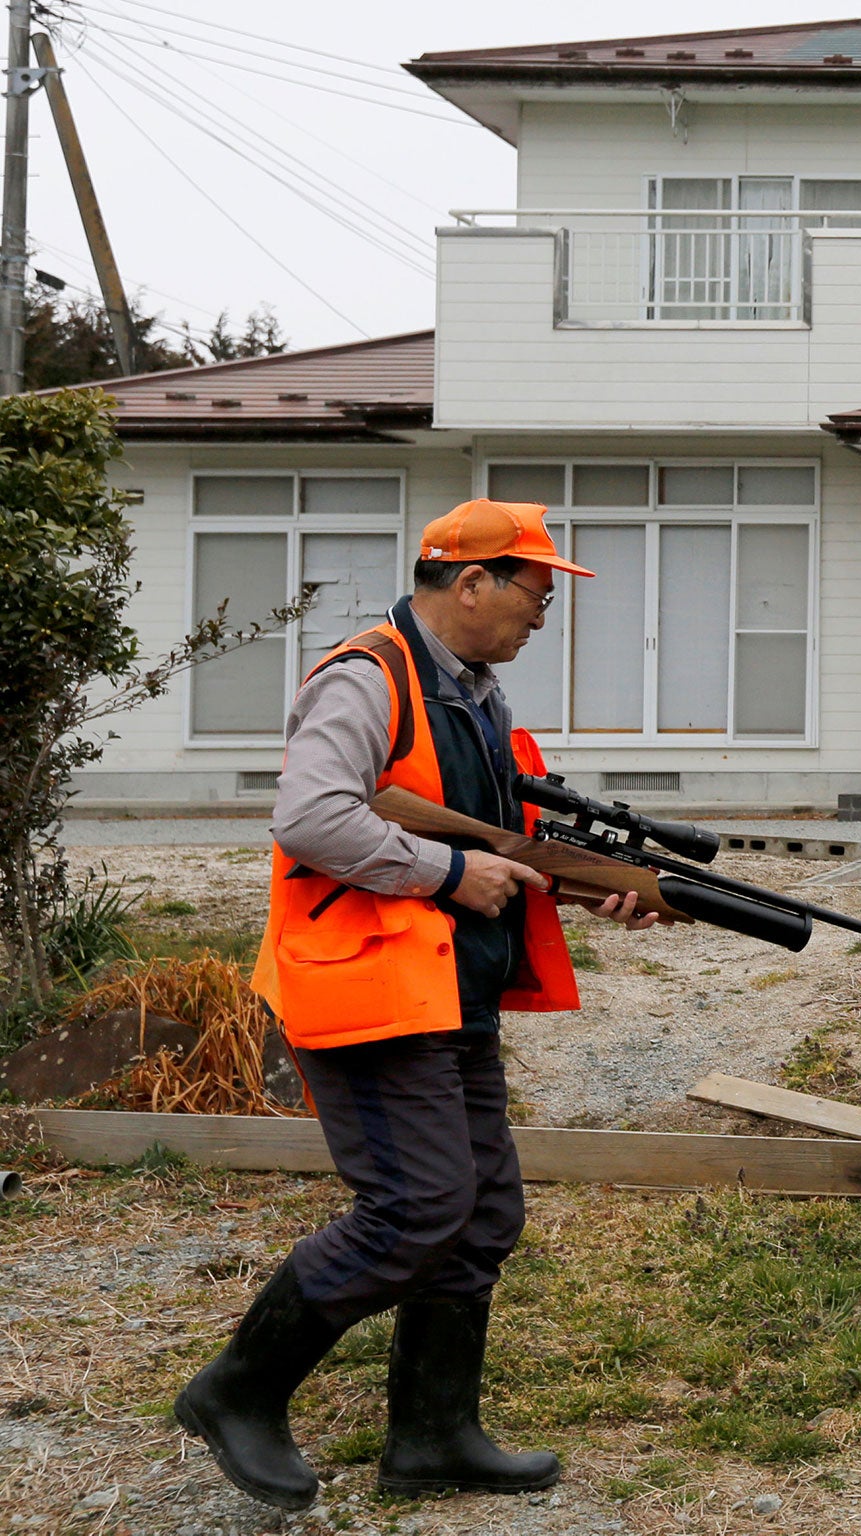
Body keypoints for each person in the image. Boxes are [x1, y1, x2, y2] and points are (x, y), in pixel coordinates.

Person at [175, 499, 659, 1512]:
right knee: (418, 1206)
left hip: (447, 986)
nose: (542, 615)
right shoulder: (366, 676)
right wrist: (443, 873)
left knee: (480, 1214)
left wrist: (591, 881)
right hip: (369, 989)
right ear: (471, 581)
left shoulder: (475, 695)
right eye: (534, 593)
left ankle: (433, 1437)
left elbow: (499, 843)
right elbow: (311, 817)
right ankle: (237, 1391)